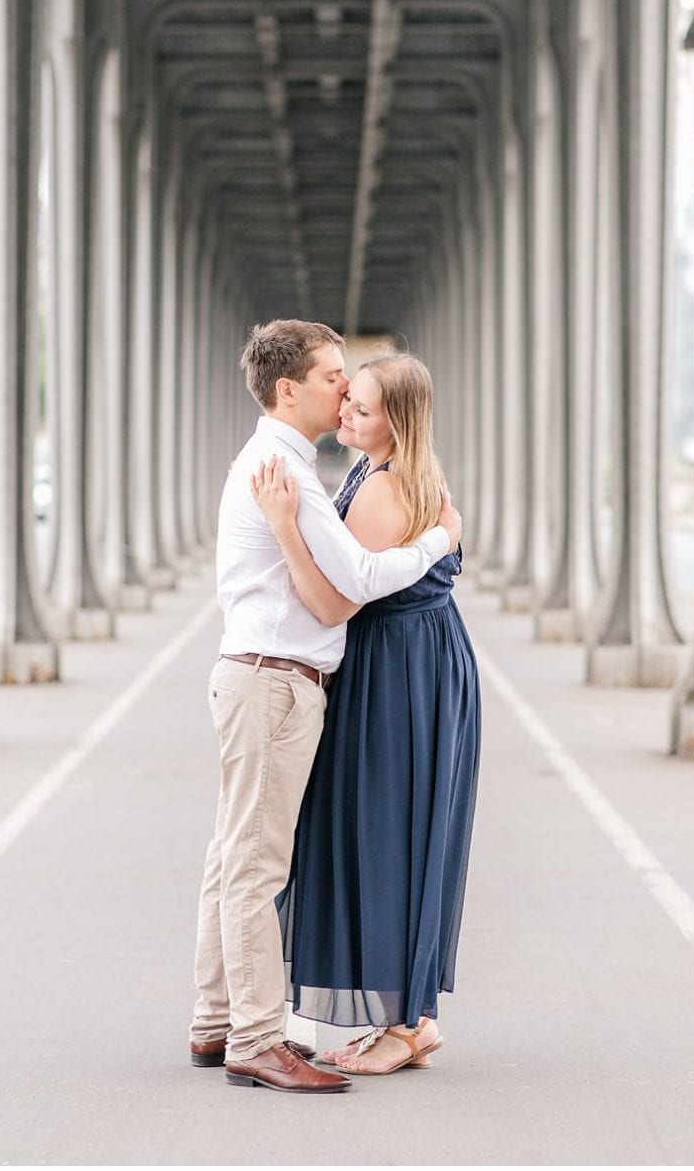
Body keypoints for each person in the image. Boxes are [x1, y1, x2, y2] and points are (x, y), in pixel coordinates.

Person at [190, 320, 462, 1094]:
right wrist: (442, 542)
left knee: (232, 856)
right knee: (254, 865)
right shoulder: (288, 471)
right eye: (333, 376)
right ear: (289, 389)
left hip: (261, 674)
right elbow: (355, 583)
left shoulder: (285, 464)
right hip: (273, 680)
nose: (342, 389)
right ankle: (253, 1038)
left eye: (354, 384)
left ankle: (217, 1022)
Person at [252, 352, 481, 1078]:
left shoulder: (382, 489)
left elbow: (337, 599)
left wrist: (284, 526)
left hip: (400, 672)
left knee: (393, 830)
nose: (346, 413)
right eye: (347, 400)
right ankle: (408, 1016)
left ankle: (411, 1023)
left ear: (397, 421)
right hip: (403, 663)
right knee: (396, 826)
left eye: (364, 408)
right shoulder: (377, 473)